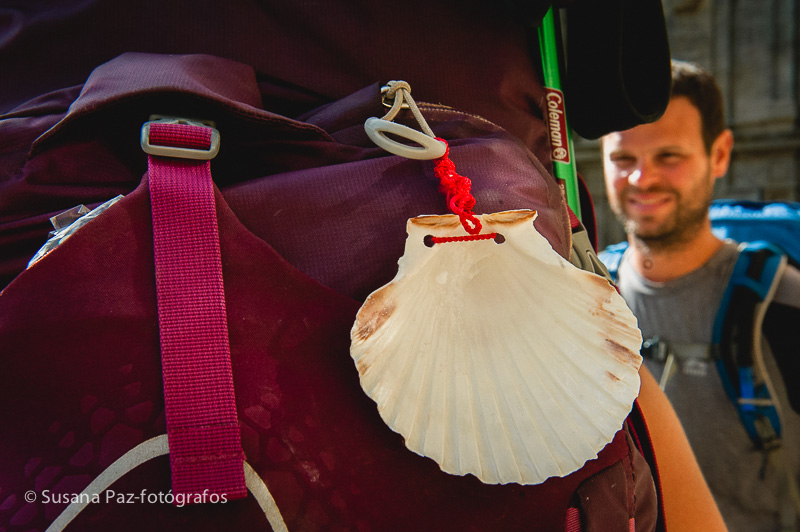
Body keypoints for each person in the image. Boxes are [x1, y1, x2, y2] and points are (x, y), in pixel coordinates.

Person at [600, 59, 800, 532]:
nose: (642, 179)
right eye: (624, 159)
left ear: (721, 153)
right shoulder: (590, 300)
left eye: (670, 156)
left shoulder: (784, 304)